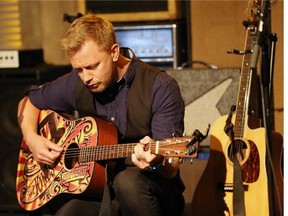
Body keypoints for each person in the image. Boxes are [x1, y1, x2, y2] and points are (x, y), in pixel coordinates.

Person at [17, 13, 185, 216]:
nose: (86, 77)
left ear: (114, 52)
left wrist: (156, 160)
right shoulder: (76, 82)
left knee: (128, 183)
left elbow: (171, 167)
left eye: (92, 67)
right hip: (102, 191)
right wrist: (32, 139)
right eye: (78, 69)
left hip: (153, 191)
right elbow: (28, 102)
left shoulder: (159, 86)